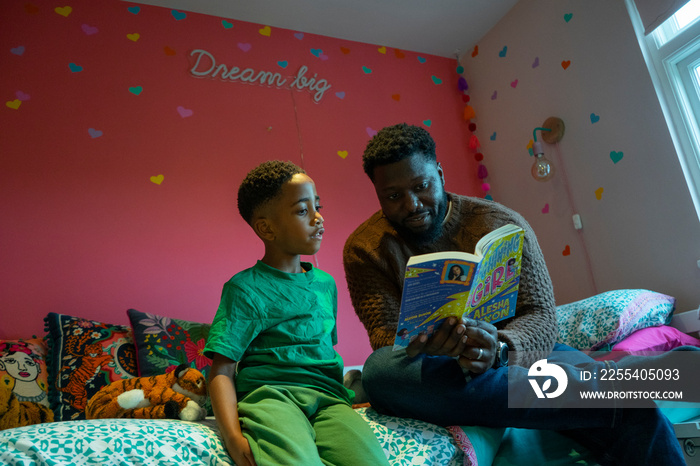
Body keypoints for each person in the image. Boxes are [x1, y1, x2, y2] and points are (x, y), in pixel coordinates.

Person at [343, 123, 689, 465]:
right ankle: (575, 390)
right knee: (379, 372)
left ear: (440, 173)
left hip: (517, 355)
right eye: (393, 196)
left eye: (422, 186)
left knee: (639, 410)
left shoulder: (501, 223)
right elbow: (385, 336)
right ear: (377, 194)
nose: (412, 204)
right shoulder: (365, 248)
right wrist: (433, 344)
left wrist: (500, 349)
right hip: (436, 366)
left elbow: (540, 315)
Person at [205, 160, 389, 466]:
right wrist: (233, 437)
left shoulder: (325, 284)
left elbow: (323, 350)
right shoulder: (245, 288)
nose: (319, 218)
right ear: (267, 228)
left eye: (317, 206)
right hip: (272, 396)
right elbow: (221, 370)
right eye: (303, 211)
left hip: (330, 398)